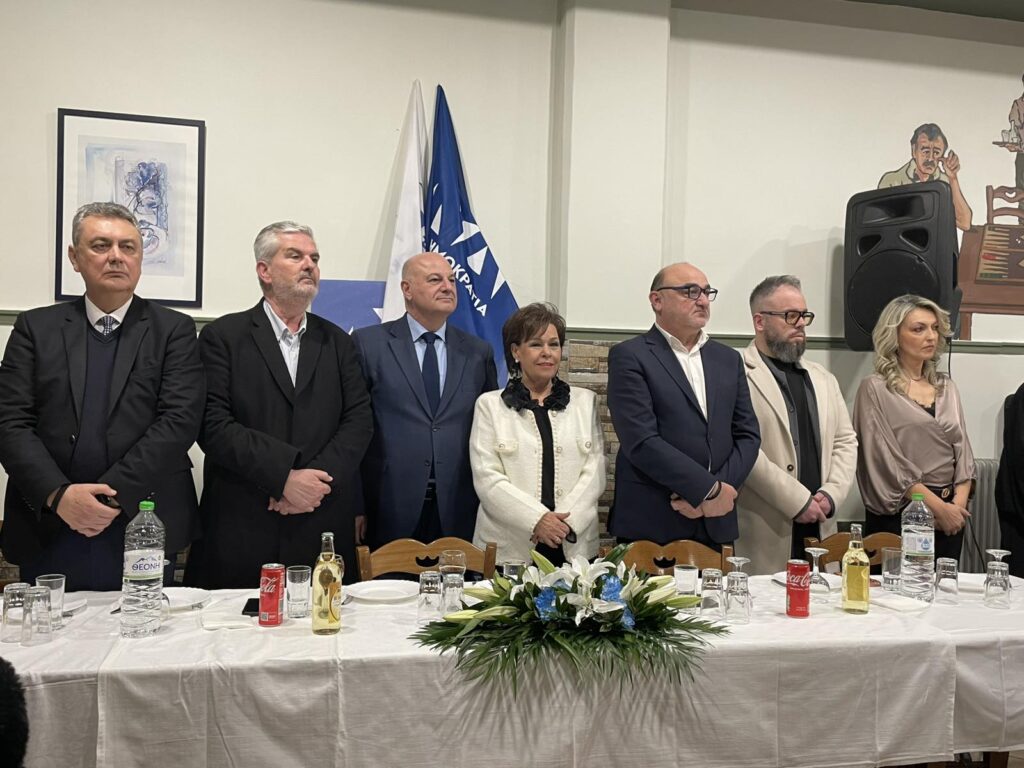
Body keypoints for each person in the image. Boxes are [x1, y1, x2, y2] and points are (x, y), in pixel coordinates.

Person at [0, 202, 204, 590]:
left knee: (145, 627)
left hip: (143, 520)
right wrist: (59, 496)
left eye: (128, 247)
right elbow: (10, 422)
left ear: (140, 258)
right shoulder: (34, 328)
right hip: (50, 523)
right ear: (74, 258)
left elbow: (179, 422)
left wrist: (111, 498)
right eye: (100, 245)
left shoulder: (173, 331)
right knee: (49, 628)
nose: (116, 256)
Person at [185, 222, 373, 588]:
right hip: (244, 521)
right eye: (295, 256)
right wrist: (283, 477)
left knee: (323, 621)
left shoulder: (339, 342)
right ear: (264, 270)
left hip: (320, 516)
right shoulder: (223, 337)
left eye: (314, 258)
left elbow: (359, 421)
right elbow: (212, 424)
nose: (310, 265)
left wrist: (315, 482)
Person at [606, 262, 760, 549]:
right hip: (655, 519)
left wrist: (718, 494)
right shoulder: (630, 356)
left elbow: (748, 435)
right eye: (690, 291)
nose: (702, 300)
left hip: (717, 522)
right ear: (657, 300)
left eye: (706, 292)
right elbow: (641, 440)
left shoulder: (728, 359)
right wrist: (708, 490)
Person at [353, 252, 497, 547]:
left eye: (452, 280)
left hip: (460, 506)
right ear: (407, 289)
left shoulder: (477, 352)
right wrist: (355, 505)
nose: (447, 287)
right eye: (435, 280)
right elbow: (352, 429)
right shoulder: (369, 345)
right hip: (388, 505)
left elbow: (491, 429)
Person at [736, 276, 858, 573]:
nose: (801, 323)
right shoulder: (736, 371)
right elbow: (742, 447)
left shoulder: (822, 377)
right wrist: (796, 500)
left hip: (821, 523)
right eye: (790, 315)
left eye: (804, 315)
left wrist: (831, 494)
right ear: (760, 321)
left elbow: (845, 441)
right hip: (766, 526)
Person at [469, 303, 605, 565]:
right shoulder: (489, 406)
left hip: (572, 542)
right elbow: (488, 479)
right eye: (535, 344)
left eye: (554, 344)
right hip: (510, 549)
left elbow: (595, 469)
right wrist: (538, 520)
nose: (547, 353)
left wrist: (564, 523)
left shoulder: (585, 402)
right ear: (516, 351)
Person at [853, 294, 975, 560]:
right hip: (902, 512)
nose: (930, 336)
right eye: (919, 329)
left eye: (934, 328)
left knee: (945, 583)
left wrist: (955, 507)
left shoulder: (946, 386)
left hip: (951, 514)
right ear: (894, 336)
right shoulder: (875, 389)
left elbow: (963, 451)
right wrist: (938, 509)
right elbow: (884, 461)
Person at [877, 123, 973, 231]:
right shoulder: (891, 181)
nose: (930, 158)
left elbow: (965, 223)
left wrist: (953, 178)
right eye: (925, 151)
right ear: (914, 151)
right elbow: (883, 227)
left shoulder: (945, 182)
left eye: (936, 152)